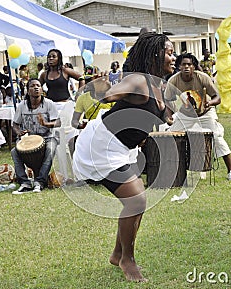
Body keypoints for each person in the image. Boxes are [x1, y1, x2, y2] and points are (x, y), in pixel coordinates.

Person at [72, 32, 176, 282]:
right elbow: (112, 93)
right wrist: (105, 89)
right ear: (155, 55)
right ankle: (127, 260)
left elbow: (162, 115)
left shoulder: (159, 85)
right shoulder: (139, 81)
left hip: (124, 147)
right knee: (137, 200)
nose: (174, 57)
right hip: (104, 144)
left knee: (136, 201)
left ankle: (118, 253)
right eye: (169, 52)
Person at [166, 53, 231, 181]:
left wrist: (209, 103)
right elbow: (168, 100)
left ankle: (230, 171)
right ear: (179, 66)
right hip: (185, 115)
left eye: (189, 64)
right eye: (184, 64)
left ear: (194, 67)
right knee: (171, 137)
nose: (187, 67)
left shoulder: (203, 78)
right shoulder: (173, 80)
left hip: (205, 113)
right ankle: (174, 171)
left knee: (217, 137)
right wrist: (169, 116)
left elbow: (218, 97)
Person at [11, 78, 60, 194]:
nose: (36, 88)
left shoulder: (49, 104)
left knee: (50, 148)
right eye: (33, 86)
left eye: (38, 85)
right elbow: (15, 124)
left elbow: (58, 122)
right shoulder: (22, 106)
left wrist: (46, 124)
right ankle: (24, 182)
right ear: (28, 91)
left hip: (47, 137)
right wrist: (18, 133)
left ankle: (40, 181)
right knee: (14, 151)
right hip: (29, 139)